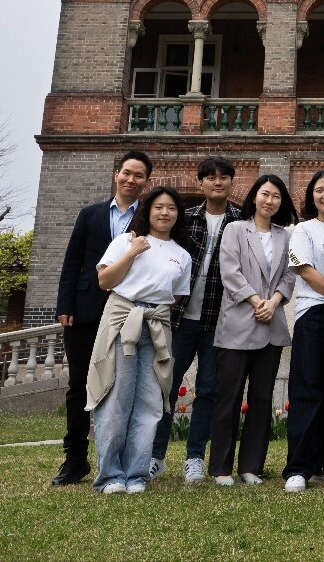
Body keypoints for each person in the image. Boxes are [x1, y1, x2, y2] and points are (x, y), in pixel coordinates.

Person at [51, 150, 151, 487]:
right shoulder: (90, 214)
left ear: (145, 182)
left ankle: (119, 459)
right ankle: (75, 459)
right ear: (116, 174)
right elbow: (72, 262)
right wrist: (65, 304)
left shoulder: (147, 220)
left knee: (122, 387)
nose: (131, 179)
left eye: (138, 175)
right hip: (85, 309)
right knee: (79, 384)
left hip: (126, 310)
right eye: (126, 173)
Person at [86, 186, 192, 494]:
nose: (164, 213)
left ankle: (136, 474)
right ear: (148, 211)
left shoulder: (181, 255)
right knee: (116, 397)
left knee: (150, 401)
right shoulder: (126, 240)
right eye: (159, 207)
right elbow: (105, 281)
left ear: (177, 215)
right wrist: (132, 253)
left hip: (157, 326)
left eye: (171, 208)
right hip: (123, 320)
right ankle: (110, 476)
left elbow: (175, 296)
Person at [149, 157, 241, 485]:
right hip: (180, 319)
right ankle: (156, 456)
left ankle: (194, 459)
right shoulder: (184, 220)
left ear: (232, 182)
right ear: (200, 182)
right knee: (166, 387)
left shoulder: (241, 222)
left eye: (224, 177)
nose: (217, 182)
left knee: (209, 390)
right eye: (211, 177)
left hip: (220, 321)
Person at [209, 174, 298, 486]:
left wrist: (273, 303)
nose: (269, 200)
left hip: (271, 324)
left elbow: (290, 274)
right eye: (265, 194)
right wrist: (255, 300)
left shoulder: (286, 237)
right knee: (228, 398)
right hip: (238, 322)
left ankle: (250, 466)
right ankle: (221, 468)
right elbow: (229, 271)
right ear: (254, 197)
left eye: (276, 196)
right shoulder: (234, 229)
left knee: (261, 398)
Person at [281, 169, 324, 492]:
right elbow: (305, 271)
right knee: (307, 389)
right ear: (311, 196)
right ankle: (299, 467)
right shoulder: (303, 230)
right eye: (319, 190)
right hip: (313, 314)